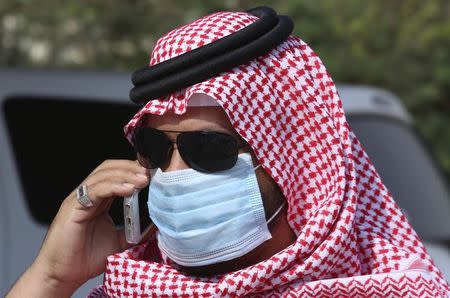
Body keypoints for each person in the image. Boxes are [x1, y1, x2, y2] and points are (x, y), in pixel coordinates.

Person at [7, 8, 450, 298]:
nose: (173, 173)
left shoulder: (394, 289)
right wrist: (52, 277)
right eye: (156, 148)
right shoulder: (137, 288)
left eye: (209, 148)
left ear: (291, 161)